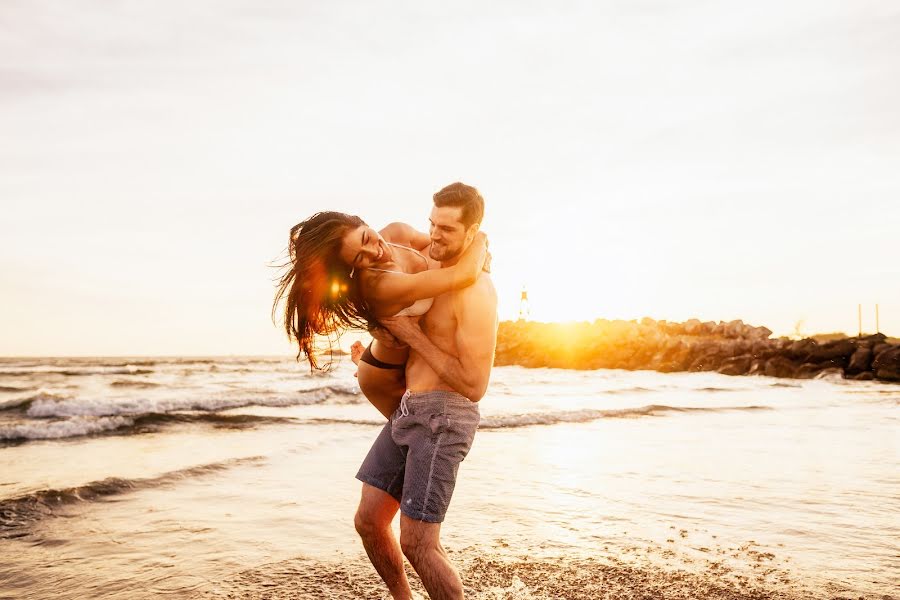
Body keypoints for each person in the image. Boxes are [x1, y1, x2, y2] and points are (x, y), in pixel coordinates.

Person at [354, 182, 498, 600]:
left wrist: (410, 334)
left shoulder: (475, 292)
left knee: (418, 542)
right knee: (369, 521)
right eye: (431, 223)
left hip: (445, 415)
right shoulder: (436, 272)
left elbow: (474, 386)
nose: (434, 235)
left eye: (447, 229)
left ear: (471, 234)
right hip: (409, 409)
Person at [273, 209, 488, 417]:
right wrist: (479, 238)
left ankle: (364, 356)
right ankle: (364, 362)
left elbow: (444, 250)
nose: (375, 252)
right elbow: (464, 273)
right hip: (383, 376)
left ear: (364, 223)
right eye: (360, 258)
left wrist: (474, 251)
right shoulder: (379, 283)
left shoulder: (397, 233)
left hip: (402, 361)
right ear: (353, 268)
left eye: (366, 238)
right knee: (412, 439)